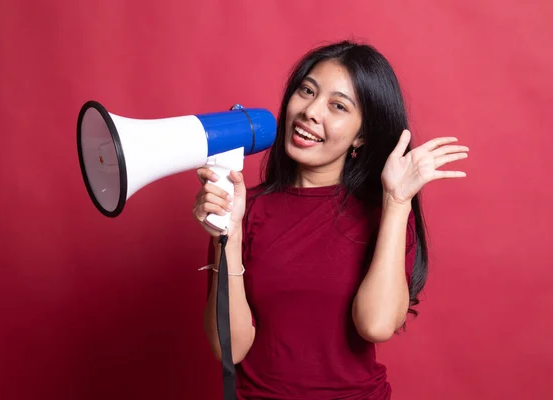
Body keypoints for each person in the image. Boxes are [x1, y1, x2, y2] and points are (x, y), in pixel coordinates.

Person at [192, 40, 468, 400]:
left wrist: (398, 202)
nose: (310, 111)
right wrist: (225, 236)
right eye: (307, 91)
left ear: (362, 135)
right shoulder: (247, 208)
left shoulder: (384, 213)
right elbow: (230, 349)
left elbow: (377, 324)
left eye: (337, 106)